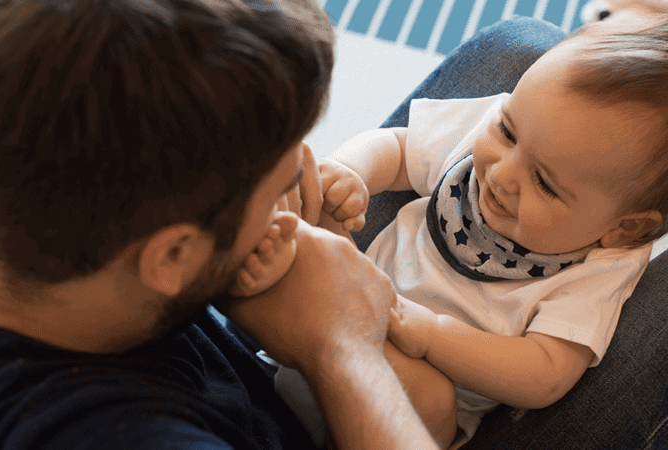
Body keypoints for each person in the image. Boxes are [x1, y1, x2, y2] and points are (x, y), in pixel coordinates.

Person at [0, 1, 667, 450]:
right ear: (175, 255)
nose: (305, 175)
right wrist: (343, 351)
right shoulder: (110, 433)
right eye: (281, 171)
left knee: (528, 51)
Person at [239, 14, 668, 450]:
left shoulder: (601, 268)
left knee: (429, 394)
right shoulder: (528, 130)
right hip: (343, 300)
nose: (500, 174)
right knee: (322, 210)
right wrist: (350, 172)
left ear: (624, 227)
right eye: (506, 131)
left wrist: (431, 334)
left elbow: (546, 372)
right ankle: (263, 285)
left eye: (544, 183)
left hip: (411, 405)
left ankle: (272, 291)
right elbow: (399, 147)